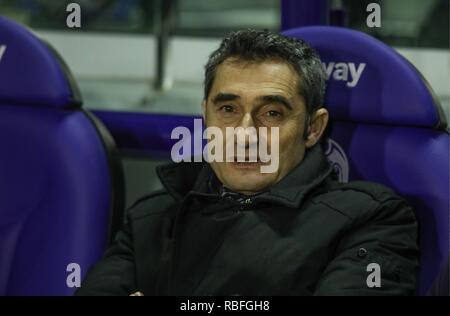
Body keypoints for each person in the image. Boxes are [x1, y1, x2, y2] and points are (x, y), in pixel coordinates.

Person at [76, 29, 419, 296]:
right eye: (228, 109)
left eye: (271, 113)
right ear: (205, 115)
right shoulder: (151, 216)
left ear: (312, 128)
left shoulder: (370, 219)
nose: (244, 134)